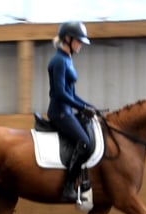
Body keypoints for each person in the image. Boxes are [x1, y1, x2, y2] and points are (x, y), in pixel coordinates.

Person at [47, 21, 96, 201]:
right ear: (67, 39)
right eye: (78, 40)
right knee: (84, 142)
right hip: (59, 112)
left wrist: (90, 107)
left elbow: (72, 94)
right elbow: (60, 94)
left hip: (67, 109)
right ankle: (67, 187)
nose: (81, 44)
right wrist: (82, 107)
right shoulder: (59, 60)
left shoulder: (67, 59)